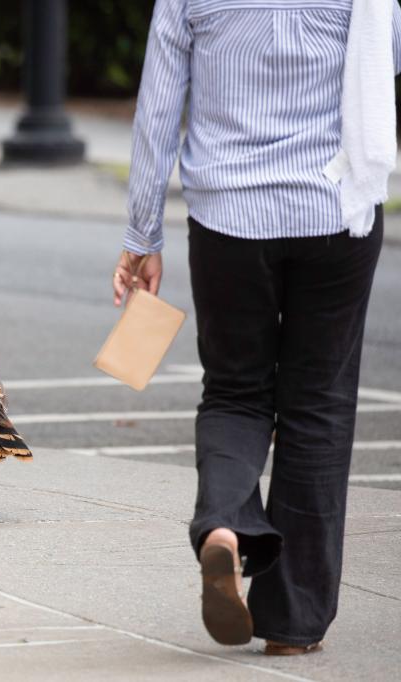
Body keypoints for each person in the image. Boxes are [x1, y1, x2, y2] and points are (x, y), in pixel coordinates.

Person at [112, 0, 401, 654]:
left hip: (227, 219)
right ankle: (293, 624)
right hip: (335, 208)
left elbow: (159, 99)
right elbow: (387, 58)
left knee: (235, 390)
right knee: (318, 405)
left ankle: (222, 526)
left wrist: (142, 232)